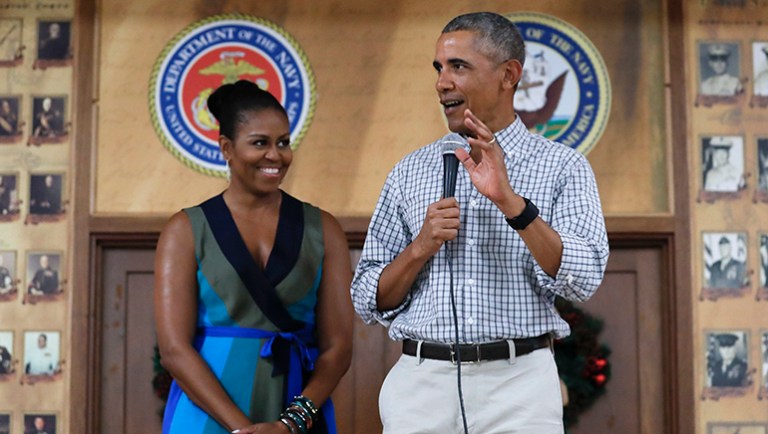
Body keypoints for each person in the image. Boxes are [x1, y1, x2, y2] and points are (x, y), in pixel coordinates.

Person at [351, 12, 609, 433]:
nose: (442, 82)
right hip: (421, 386)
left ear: (509, 74)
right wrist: (419, 249)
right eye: (439, 68)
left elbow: (583, 278)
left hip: (520, 386)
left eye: (458, 66)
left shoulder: (563, 166)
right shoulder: (410, 171)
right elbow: (366, 297)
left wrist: (512, 204)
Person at [154, 80, 353, 434]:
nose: (275, 155)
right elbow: (173, 350)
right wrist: (242, 429)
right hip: (207, 416)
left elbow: (338, 348)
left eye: (283, 143)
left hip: (295, 418)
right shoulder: (184, 230)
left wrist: (291, 423)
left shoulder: (324, 229)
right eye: (260, 142)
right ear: (227, 148)